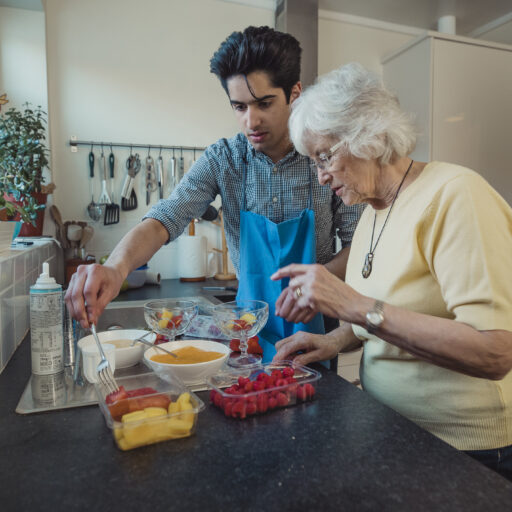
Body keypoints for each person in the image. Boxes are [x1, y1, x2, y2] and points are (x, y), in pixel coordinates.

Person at [271, 62, 512, 480]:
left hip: (466, 450)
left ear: (370, 136)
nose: (321, 174)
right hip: (394, 427)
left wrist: (355, 306)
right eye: (313, 161)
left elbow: (494, 352)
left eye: (325, 156)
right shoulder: (372, 211)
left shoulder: (455, 195)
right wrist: (333, 340)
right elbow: (393, 311)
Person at [65, 27, 364, 360]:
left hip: (317, 326)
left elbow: (361, 243)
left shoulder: (326, 156)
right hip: (247, 329)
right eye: (239, 106)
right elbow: (168, 216)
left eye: (264, 103)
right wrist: (116, 269)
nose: (251, 121)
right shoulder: (224, 159)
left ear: (295, 92)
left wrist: (319, 278)